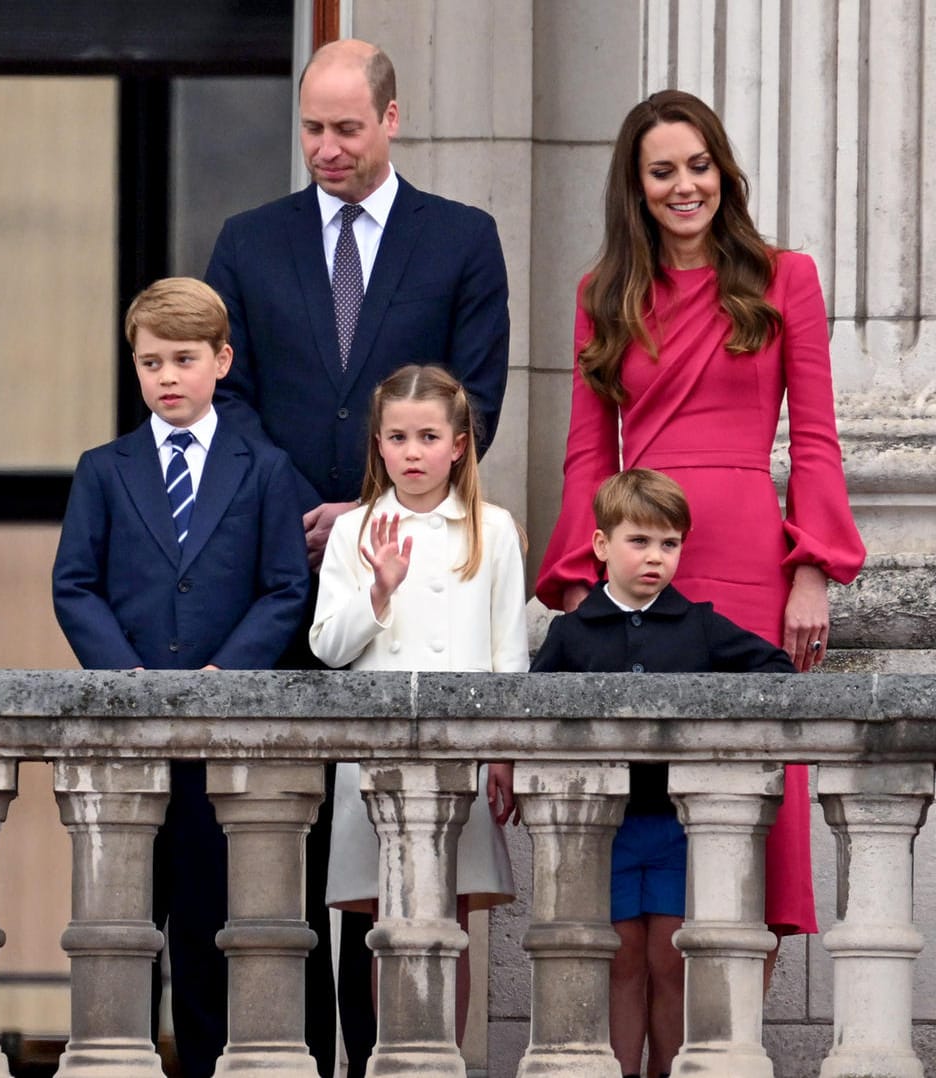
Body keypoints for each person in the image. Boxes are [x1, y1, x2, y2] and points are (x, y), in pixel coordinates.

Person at [202, 39, 511, 1067]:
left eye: (344, 128)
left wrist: (374, 503)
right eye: (311, 129)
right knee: (285, 839)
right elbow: (224, 395)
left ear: (391, 119)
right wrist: (315, 509)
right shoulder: (249, 240)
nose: (325, 148)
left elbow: (479, 396)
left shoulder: (462, 239)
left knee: (397, 855)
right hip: (277, 568)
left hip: (413, 576)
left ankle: (394, 1057)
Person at [534, 89, 866, 946]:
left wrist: (811, 570)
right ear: (635, 186)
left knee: (753, 802)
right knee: (643, 799)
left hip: (751, 564)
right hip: (640, 559)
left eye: (699, 165)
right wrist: (580, 581)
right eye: (662, 171)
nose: (685, 186)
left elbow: (819, 440)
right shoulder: (600, 292)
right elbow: (586, 454)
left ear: (722, 169)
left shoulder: (785, 276)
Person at [50, 278, 315, 1078]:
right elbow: (75, 583)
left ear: (221, 362)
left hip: (220, 745)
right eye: (151, 362)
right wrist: (122, 673)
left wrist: (222, 675)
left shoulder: (264, 469)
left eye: (184, 360)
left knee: (209, 931)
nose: (167, 376)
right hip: (127, 741)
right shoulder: (104, 468)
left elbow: (283, 587)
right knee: (122, 931)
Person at [533, 468, 794, 1078]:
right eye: (639, 541)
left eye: (669, 544)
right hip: (606, 832)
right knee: (620, 963)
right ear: (601, 546)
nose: (655, 557)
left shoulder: (700, 625)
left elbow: (774, 670)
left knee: (671, 961)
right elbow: (530, 713)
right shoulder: (572, 633)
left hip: (679, 829)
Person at [308, 364, 522, 1049]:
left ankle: (445, 1060)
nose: (413, 451)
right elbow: (328, 646)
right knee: (387, 926)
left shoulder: (492, 529)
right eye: (397, 437)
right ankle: (393, 1057)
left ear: (459, 444)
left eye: (428, 436)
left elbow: (506, 658)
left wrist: (503, 752)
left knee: (448, 922)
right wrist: (379, 591)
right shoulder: (355, 531)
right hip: (376, 762)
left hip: (460, 756)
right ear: (377, 444)